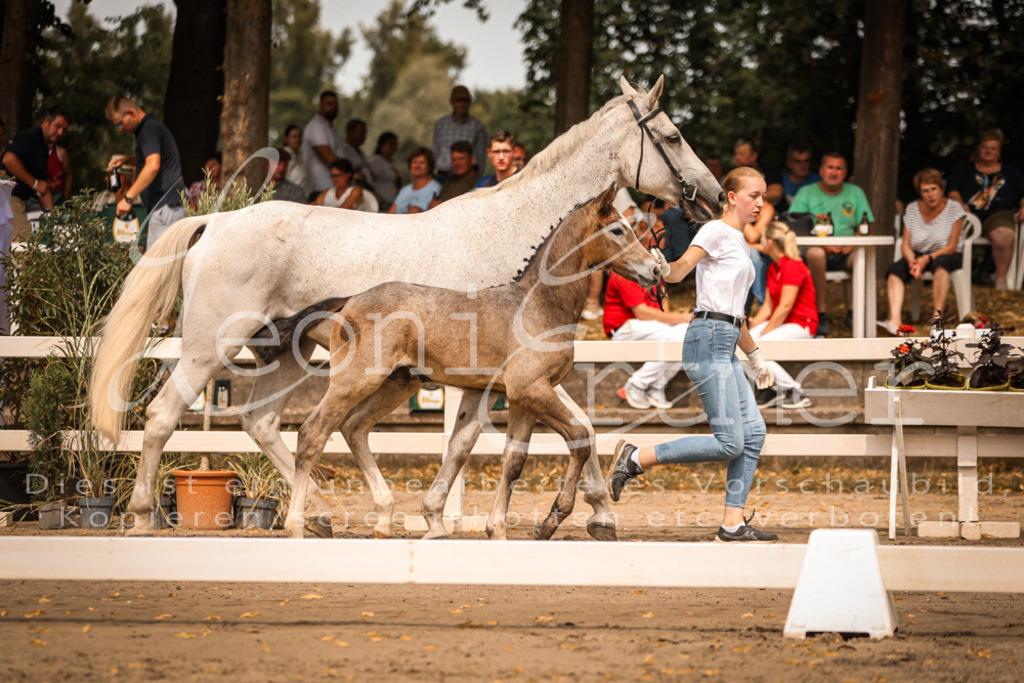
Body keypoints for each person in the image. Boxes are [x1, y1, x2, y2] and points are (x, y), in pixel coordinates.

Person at [609, 167, 778, 543]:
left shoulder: (740, 241)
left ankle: (732, 524)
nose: (760, 203)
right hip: (707, 339)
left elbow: (735, 313)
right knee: (730, 442)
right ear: (731, 197)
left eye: (763, 197)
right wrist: (661, 265)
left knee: (753, 433)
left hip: (727, 338)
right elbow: (679, 271)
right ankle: (636, 458)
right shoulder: (714, 230)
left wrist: (755, 357)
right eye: (753, 195)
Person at [604, 217, 692, 410]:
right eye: (659, 226)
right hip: (624, 328)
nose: (664, 230)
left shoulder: (653, 263)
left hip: (647, 326)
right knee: (680, 335)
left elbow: (662, 303)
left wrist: (678, 321)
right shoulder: (630, 262)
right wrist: (682, 318)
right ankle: (637, 384)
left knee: (687, 334)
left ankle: (655, 386)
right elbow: (641, 312)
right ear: (644, 229)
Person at [789, 152, 874, 337]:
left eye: (838, 168)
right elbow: (795, 226)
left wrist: (852, 245)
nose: (834, 172)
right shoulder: (806, 192)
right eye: (830, 167)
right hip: (815, 251)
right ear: (821, 171)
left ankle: (854, 313)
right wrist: (823, 245)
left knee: (861, 256)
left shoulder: (855, 192)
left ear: (845, 173)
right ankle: (821, 313)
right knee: (816, 253)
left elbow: (866, 225)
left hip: (847, 251)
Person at [879, 169, 966, 334]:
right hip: (918, 254)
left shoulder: (954, 208)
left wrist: (926, 259)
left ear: (941, 189)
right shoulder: (912, 209)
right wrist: (913, 261)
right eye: (925, 191)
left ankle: (937, 320)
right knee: (895, 270)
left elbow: (952, 246)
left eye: (934, 189)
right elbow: (905, 244)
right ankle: (894, 321)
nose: (930, 195)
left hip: (946, 253)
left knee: (941, 265)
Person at [745, 221, 817, 409]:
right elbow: (768, 306)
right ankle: (770, 388)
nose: (760, 244)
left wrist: (764, 332)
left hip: (802, 323)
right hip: (783, 322)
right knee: (741, 345)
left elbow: (785, 306)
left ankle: (794, 390)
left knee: (756, 347)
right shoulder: (774, 267)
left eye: (762, 240)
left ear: (770, 243)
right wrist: (754, 325)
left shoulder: (793, 265)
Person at [946, 129, 1024, 290]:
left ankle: (1000, 280)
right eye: (985, 147)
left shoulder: (1012, 173)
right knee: (950, 233)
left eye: (993, 148)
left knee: (1005, 235)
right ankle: (952, 278)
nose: (988, 151)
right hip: (967, 215)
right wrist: (959, 204)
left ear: (999, 152)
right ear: (978, 149)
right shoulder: (963, 169)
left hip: (998, 215)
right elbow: (952, 190)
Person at [105, 96, 185, 248]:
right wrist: (126, 160)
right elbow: (151, 156)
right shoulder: (149, 129)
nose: (120, 129)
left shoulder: (149, 129)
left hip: (166, 209)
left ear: (130, 113)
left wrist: (128, 198)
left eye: (120, 124)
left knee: (159, 262)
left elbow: (152, 166)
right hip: (163, 208)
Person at [1, 106, 70, 241]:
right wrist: (34, 183)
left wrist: (53, 220)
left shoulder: (43, 148)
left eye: (64, 130)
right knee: (23, 240)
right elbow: (8, 159)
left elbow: (43, 189)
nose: (60, 132)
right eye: (57, 126)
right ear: (45, 123)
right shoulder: (29, 137)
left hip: (14, 199)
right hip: (6, 196)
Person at [583, 187, 640, 320]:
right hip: (593, 238)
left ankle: (593, 302)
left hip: (623, 238)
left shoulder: (614, 188)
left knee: (595, 256)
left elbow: (629, 218)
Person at [433, 85, 487, 182]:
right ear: (451, 102)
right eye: (458, 101)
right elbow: (436, 151)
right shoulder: (440, 124)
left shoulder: (477, 126)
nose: (462, 104)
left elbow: (481, 158)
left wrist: (477, 181)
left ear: (469, 102)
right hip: (443, 176)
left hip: (467, 178)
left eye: (465, 101)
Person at [302, 90, 344, 201]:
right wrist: (351, 173)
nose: (333, 107)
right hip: (320, 189)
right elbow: (329, 159)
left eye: (335, 104)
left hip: (333, 190)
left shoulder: (332, 128)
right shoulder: (315, 126)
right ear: (320, 105)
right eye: (329, 104)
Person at [734, 137, 784, 210]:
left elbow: (776, 193)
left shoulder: (769, 170)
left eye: (741, 154)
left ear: (754, 156)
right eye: (736, 154)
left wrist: (749, 199)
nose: (737, 157)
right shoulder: (735, 175)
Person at [311, 158, 377, 212]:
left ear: (348, 175)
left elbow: (344, 210)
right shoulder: (327, 192)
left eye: (338, 175)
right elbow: (314, 207)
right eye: (333, 176)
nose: (335, 179)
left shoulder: (356, 190)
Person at [388, 147, 440, 214]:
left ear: (429, 166)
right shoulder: (405, 190)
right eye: (414, 162)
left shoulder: (436, 188)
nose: (417, 165)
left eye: (422, 162)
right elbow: (390, 213)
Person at [430, 140, 480, 207]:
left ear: (472, 160)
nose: (457, 163)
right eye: (454, 160)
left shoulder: (480, 183)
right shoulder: (448, 183)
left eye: (461, 158)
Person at [367, 132, 400, 209]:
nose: (394, 147)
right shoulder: (375, 161)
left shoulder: (392, 162)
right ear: (382, 145)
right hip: (378, 204)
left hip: (389, 204)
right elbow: (368, 182)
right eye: (391, 144)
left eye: (396, 144)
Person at [338, 118, 373, 184]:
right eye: (361, 132)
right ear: (350, 133)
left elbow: (371, 173)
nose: (364, 136)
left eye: (365, 133)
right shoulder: (343, 151)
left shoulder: (362, 153)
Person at [282, 124, 309, 197]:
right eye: (294, 136)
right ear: (286, 139)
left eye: (300, 136)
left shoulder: (298, 157)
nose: (298, 139)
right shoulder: (285, 156)